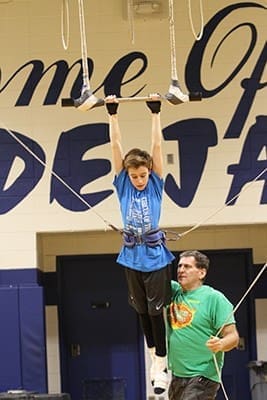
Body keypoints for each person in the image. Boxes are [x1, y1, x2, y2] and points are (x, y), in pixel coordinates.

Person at [105, 94, 175, 395]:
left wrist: (155, 113)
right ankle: (154, 361)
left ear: (149, 171)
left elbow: (158, 146)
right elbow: (115, 148)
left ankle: (162, 365)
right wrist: (112, 114)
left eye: (142, 175)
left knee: (157, 311)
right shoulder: (123, 184)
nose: (138, 180)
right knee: (142, 311)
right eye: (134, 176)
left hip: (155, 255)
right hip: (131, 255)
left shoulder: (156, 184)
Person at [167, 250, 240, 400]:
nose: (181, 270)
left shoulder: (214, 298)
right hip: (177, 375)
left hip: (203, 376)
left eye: (187, 267)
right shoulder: (174, 291)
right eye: (180, 266)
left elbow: (233, 337)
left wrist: (220, 344)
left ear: (201, 273)